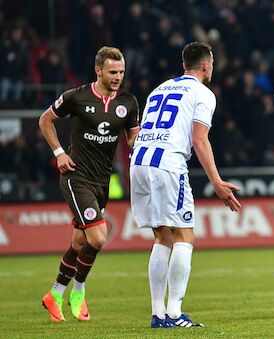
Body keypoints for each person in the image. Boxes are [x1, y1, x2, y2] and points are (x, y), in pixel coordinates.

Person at [129, 41, 241, 329]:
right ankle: (175, 312)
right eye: (212, 64)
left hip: (139, 160)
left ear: (184, 65)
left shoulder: (160, 88)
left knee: (162, 237)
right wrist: (216, 181)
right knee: (184, 237)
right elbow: (199, 139)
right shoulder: (202, 93)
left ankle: (159, 314)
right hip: (167, 163)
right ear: (206, 65)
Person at [39, 46, 140, 322]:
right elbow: (45, 120)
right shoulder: (77, 96)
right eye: (112, 72)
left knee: (79, 241)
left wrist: (143, 140)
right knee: (98, 237)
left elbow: (132, 140)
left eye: (121, 72)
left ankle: (54, 294)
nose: (118, 76)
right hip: (76, 176)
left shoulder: (129, 102)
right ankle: (79, 291)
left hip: (102, 181)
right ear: (98, 70)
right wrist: (59, 153)